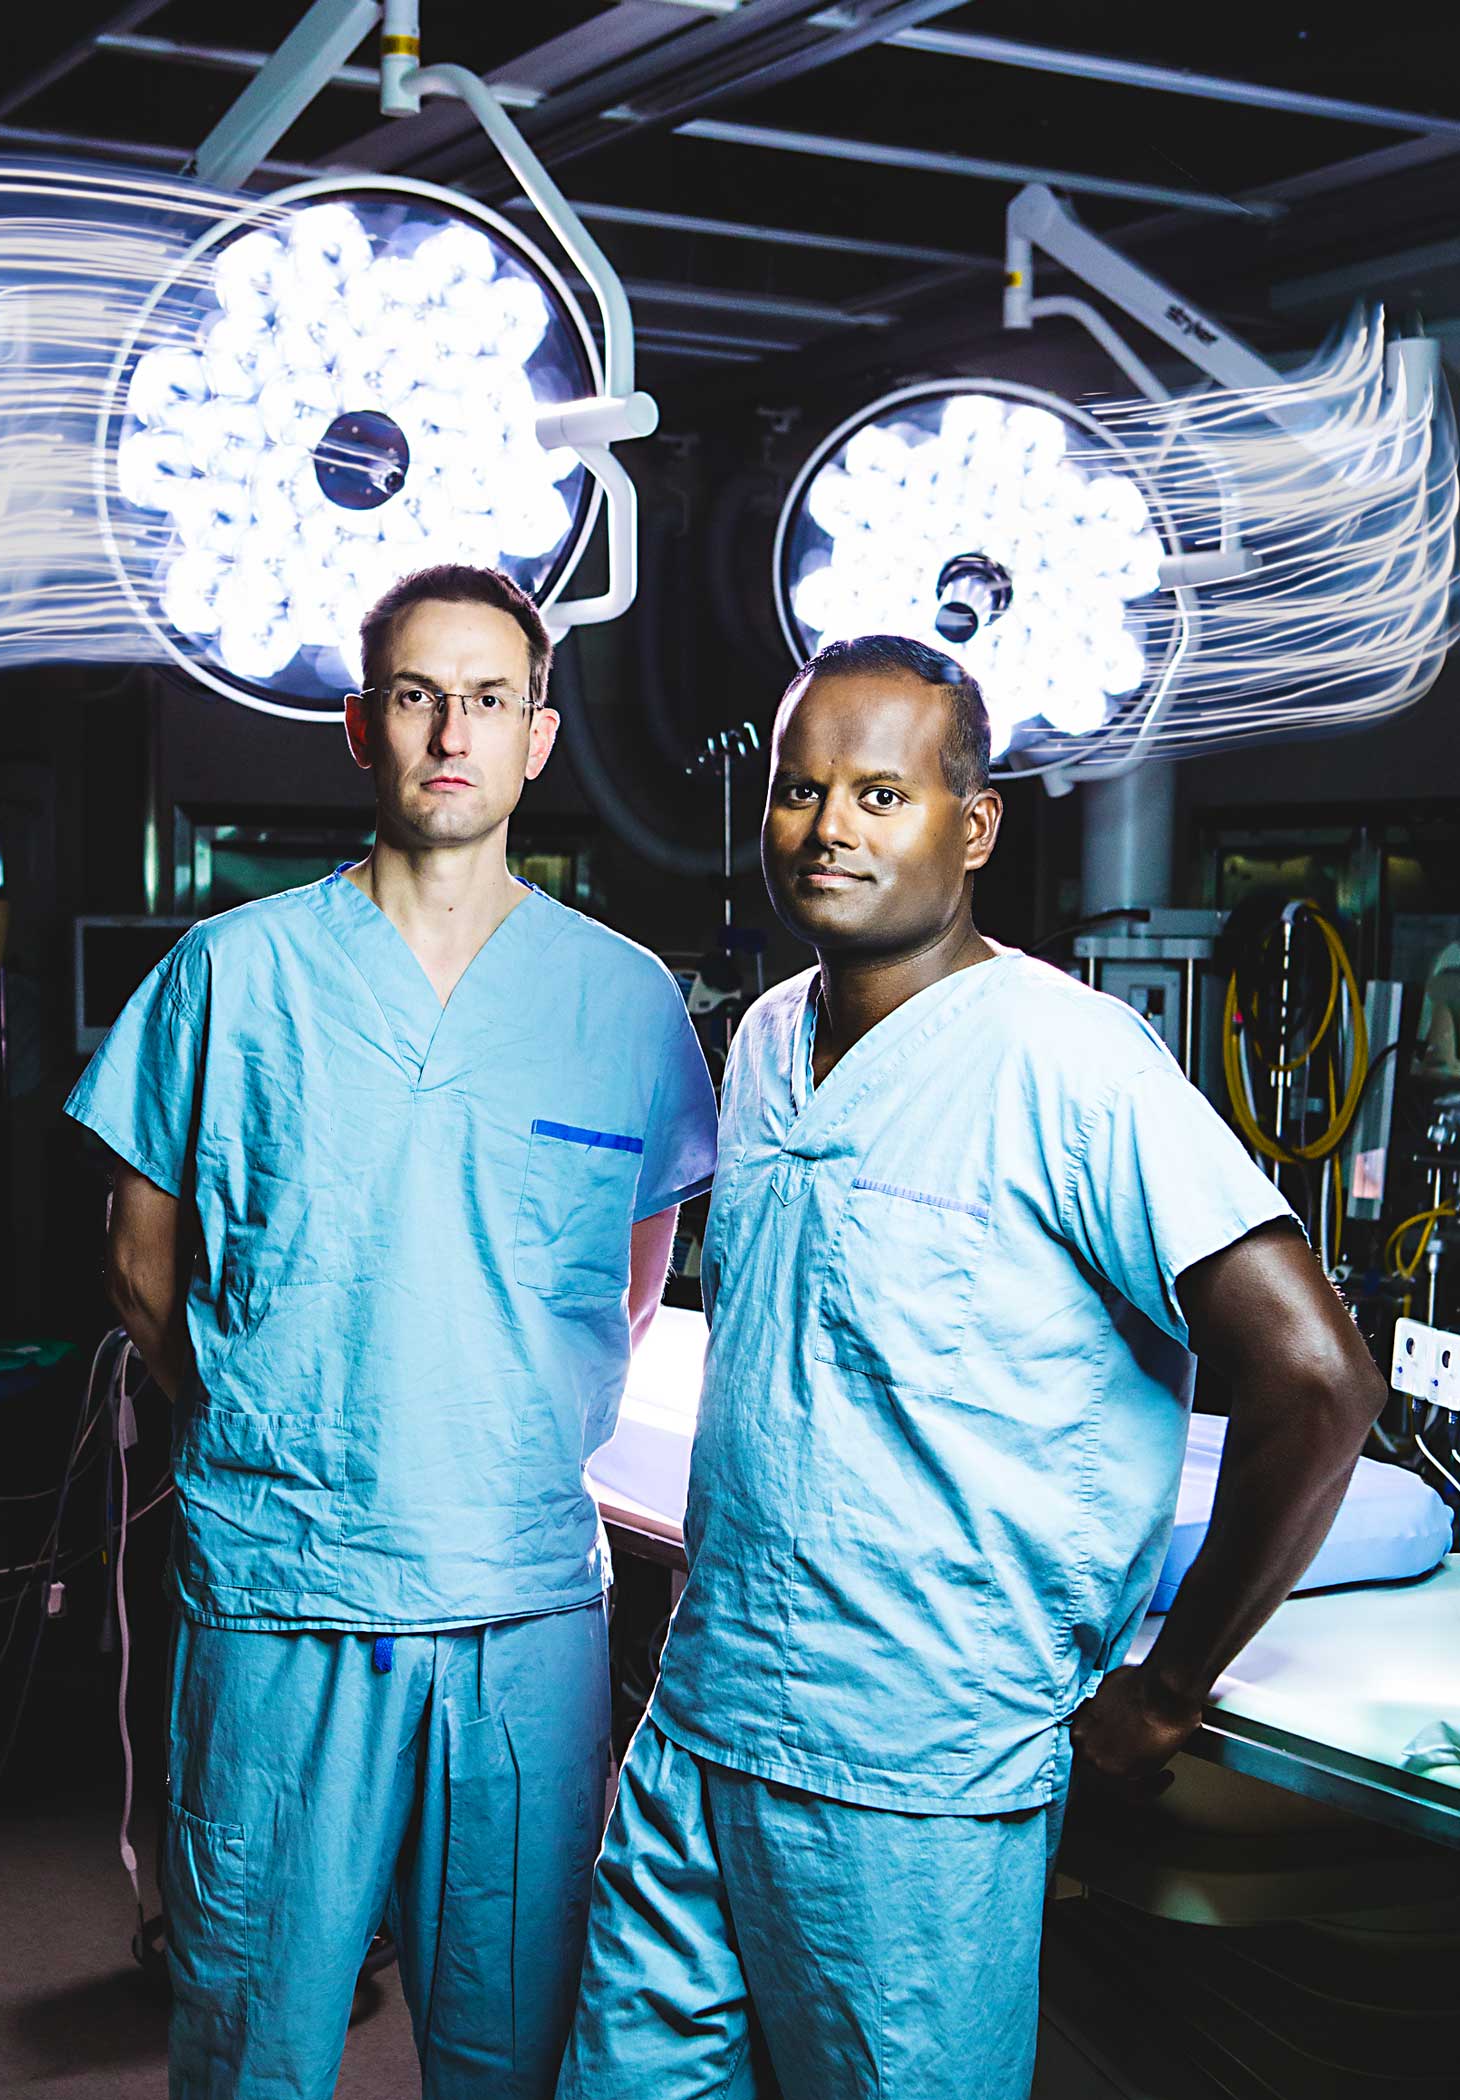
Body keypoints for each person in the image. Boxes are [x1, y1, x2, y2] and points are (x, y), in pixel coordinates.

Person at [558, 634, 1388, 2100]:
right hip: (701, 1727)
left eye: (883, 795)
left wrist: (1173, 1685)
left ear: (975, 825)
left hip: (912, 1777)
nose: (829, 829)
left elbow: (1317, 1380)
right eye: (802, 791)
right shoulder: (761, 1042)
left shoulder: (1074, 1065)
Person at [66, 564, 718, 2100]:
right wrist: (282, 1425)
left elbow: (629, 1289)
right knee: (254, 2041)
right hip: (286, 1605)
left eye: (489, 700)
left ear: (538, 738)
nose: (452, 731)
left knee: (514, 2043)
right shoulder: (230, 979)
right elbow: (143, 1272)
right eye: (419, 695)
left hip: (520, 1618)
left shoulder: (621, 1006)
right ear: (362, 725)